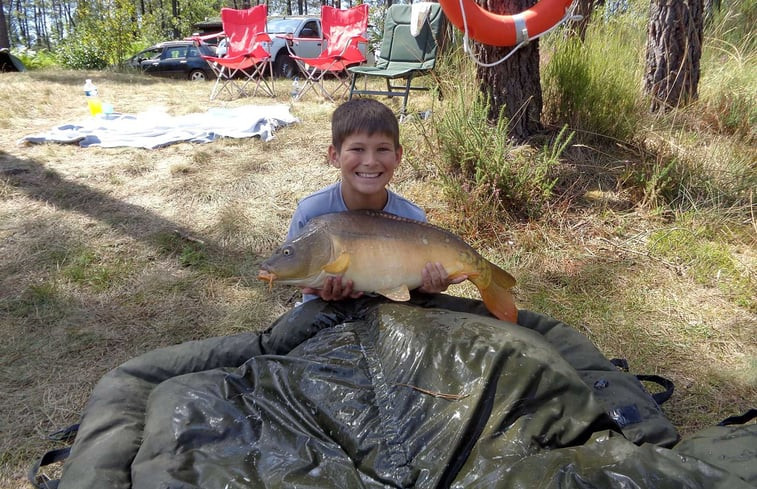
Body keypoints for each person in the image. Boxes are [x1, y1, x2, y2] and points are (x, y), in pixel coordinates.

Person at [287, 98, 466, 303]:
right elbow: (295, 271)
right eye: (357, 149)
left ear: (398, 156)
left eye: (382, 149)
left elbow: (412, 289)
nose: (370, 162)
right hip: (323, 318)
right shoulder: (311, 212)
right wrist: (321, 292)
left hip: (391, 315)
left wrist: (430, 286)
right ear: (334, 156)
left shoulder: (412, 217)